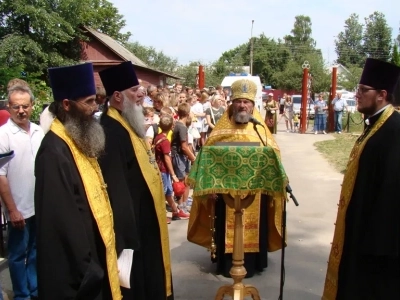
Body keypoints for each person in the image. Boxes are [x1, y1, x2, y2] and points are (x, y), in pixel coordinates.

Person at [34, 63, 121, 299]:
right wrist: (89, 267)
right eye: (89, 101)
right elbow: (60, 223)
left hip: (93, 255)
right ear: (66, 104)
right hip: (78, 271)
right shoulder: (53, 152)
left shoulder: (76, 139)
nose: (95, 108)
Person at [187, 79, 286, 278]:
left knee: (255, 227)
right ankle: (226, 264)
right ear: (231, 103)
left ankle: (254, 262)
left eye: (246, 102)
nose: (242, 105)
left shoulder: (259, 129)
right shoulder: (220, 130)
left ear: (252, 105)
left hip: (255, 193)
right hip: (226, 194)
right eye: (238, 101)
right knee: (225, 225)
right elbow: (208, 159)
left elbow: (274, 154)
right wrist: (211, 188)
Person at [322, 58, 400, 300]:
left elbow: (392, 191)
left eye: (363, 90)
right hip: (360, 231)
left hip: (378, 243)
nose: (357, 95)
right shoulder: (375, 125)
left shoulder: (394, 130)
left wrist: (377, 247)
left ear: (382, 94)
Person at [98, 61, 173, 300]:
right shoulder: (110, 130)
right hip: (134, 226)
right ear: (118, 96)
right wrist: (128, 235)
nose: (141, 94)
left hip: (146, 218)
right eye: (134, 90)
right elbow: (117, 187)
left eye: (140, 89)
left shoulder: (128, 123)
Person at [0, 83, 43, 300]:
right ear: (9, 106)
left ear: (32, 106)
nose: (21, 111)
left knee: (35, 251)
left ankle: (34, 290)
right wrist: (12, 209)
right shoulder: (3, 135)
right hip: (19, 207)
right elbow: (0, 176)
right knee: (18, 255)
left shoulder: (38, 131)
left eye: (25, 106)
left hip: (38, 206)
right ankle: (22, 295)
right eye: (16, 107)